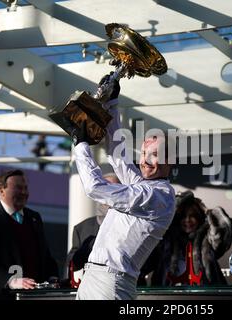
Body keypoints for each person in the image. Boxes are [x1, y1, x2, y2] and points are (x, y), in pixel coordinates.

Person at [70, 73, 176, 300]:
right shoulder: (146, 185)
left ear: (171, 160)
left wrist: (80, 145)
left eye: (155, 155)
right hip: (95, 278)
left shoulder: (159, 196)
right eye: (145, 154)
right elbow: (118, 155)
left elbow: (95, 188)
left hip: (111, 282)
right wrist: (111, 103)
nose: (146, 160)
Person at [0, 169, 59, 299]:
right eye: (18, 188)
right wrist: (10, 281)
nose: (23, 192)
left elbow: (45, 254)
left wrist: (52, 276)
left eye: (25, 188)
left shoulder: (34, 217)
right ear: (1, 190)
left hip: (32, 294)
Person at [146, 190, 232, 286]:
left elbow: (222, 231)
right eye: (183, 216)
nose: (187, 220)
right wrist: (178, 203)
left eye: (192, 216)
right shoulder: (166, 240)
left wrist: (207, 211)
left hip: (206, 297)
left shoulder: (207, 239)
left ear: (199, 217)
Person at [65, 173, 120, 276]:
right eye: (104, 188)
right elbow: (72, 265)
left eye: (113, 189)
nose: (108, 193)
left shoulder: (132, 222)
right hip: (93, 287)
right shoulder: (82, 228)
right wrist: (87, 248)